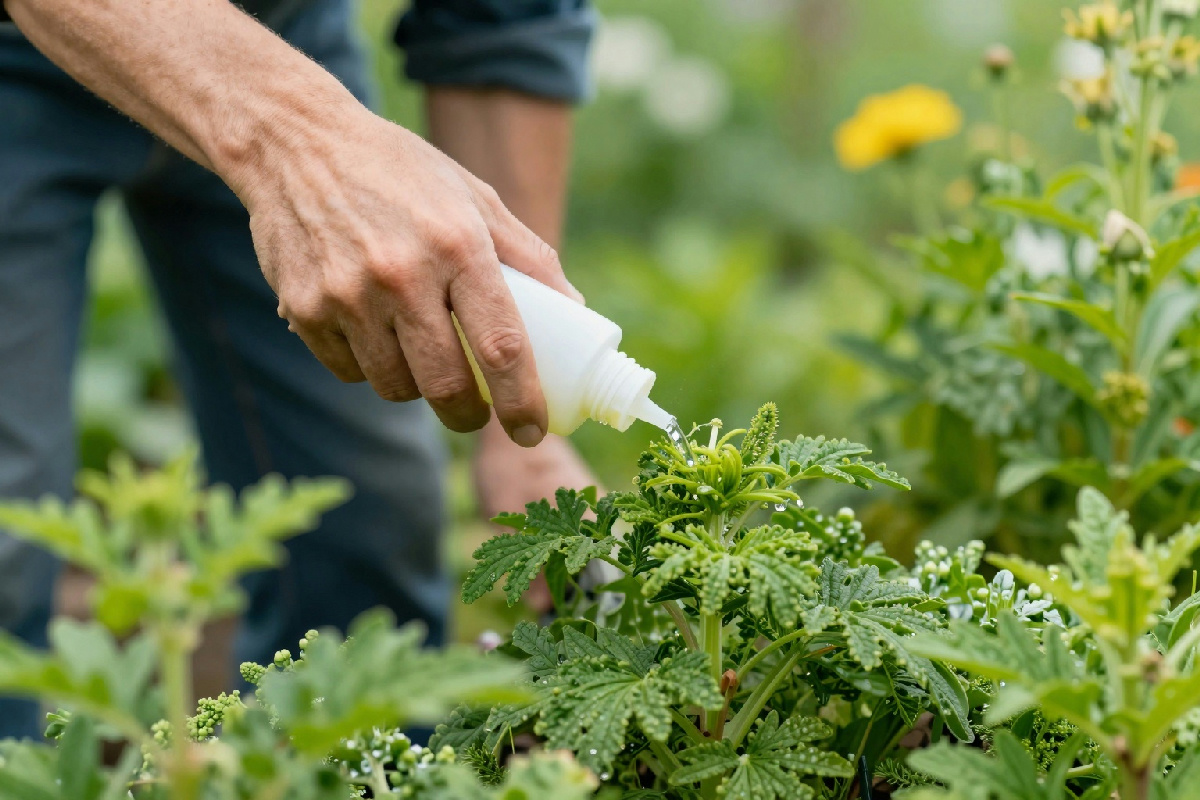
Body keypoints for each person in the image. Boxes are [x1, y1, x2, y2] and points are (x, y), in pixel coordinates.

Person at [0, 0, 597, 739]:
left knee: (361, 521)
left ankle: (350, 774)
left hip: (277, 28)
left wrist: (522, 419)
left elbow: (503, 21)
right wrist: (301, 141)